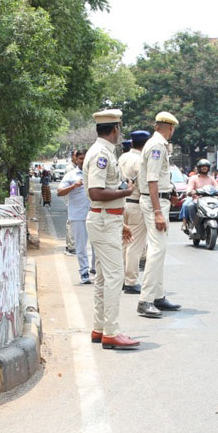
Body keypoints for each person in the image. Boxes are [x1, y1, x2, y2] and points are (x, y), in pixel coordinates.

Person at [83, 109, 139, 350]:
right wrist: (126, 192)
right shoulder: (101, 155)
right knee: (115, 276)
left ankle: (100, 328)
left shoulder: (102, 152)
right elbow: (95, 193)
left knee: (104, 277)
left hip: (107, 219)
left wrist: (121, 220)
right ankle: (111, 331)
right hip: (104, 220)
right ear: (115, 129)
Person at [137, 112, 182, 318]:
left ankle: (157, 295)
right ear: (168, 127)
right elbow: (152, 179)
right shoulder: (156, 146)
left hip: (159, 200)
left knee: (160, 250)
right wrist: (157, 211)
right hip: (154, 202)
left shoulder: (159, 145)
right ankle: (145, 300)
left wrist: (170, 193)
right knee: (156, 250)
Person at [118, 130, 150, 295]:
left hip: (122, 202)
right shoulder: (141, 160)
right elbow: (145, 185)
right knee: (134, 245)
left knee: (124, 243)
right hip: (136, 203)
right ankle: (130, 282)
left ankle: (123, 279)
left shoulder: (123, 158)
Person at [57, 149, 95, 283]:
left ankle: (95, 270)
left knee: (97, 244)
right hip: (78, 215)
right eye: (81, 158)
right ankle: (84, 272)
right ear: (76, 159)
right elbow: (59, 192)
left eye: (86, 158)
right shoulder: (71, 175)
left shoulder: (95, 173)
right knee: (81, 246)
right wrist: (74, 186)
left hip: (95, 214)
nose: (83, 161)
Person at [180, 158, 218, 232]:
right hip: (197, 199)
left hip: (210, 200)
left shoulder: (211, 179)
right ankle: (193, 224)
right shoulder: (193, 178)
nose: (204, 168)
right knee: (189, 206)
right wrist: (191, 191)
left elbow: (217, 188)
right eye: (202, 166)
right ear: (199, 168)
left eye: (206, 166)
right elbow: (189, 188)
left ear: (208, 168)